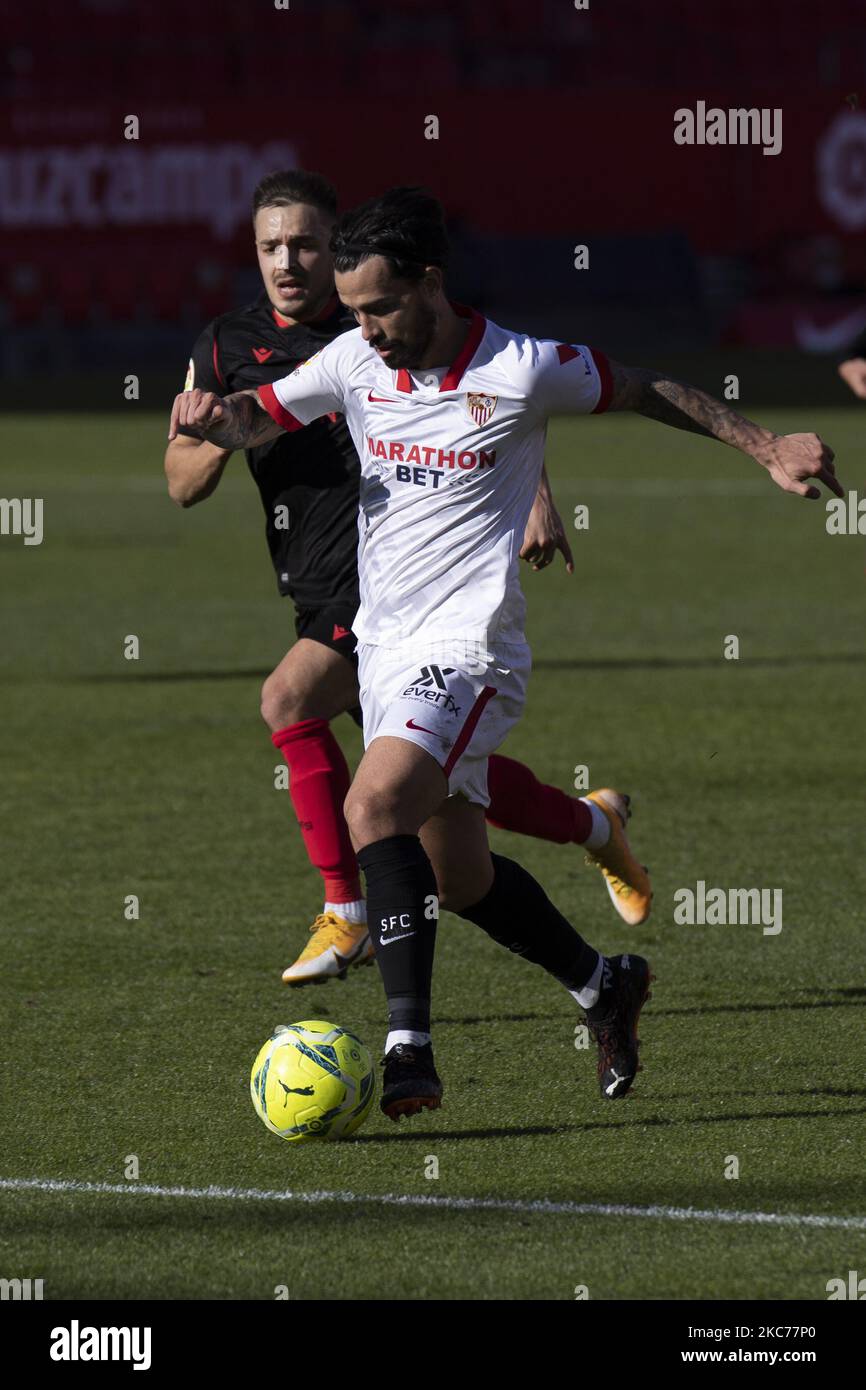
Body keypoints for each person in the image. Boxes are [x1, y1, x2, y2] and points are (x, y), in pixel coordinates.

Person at [170, 186, 838, 1120]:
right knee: (459, 876)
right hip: (383, 647)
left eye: (380, 308)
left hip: (472, 648)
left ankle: (408, 1049)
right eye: (353, 312)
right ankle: (605, 985)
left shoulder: (524, 368)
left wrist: (765, 444)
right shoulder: (351, 359)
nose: (365, 329)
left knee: (374, 802)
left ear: (430, 284)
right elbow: (258, 418)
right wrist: (212, 419)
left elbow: (647, 387)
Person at [164, 171, 651, 990]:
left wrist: (537, 494)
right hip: (315, 581)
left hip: (393, 591)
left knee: (296, 706)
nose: (289, 261)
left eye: (307, 243)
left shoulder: (389, 318)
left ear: (339, 249)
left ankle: (347, 917)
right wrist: (216, 427)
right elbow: (181, 480)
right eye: (269, 246)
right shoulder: (225, 343)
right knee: (446, 803)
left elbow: (495, 403)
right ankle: (592, 828)